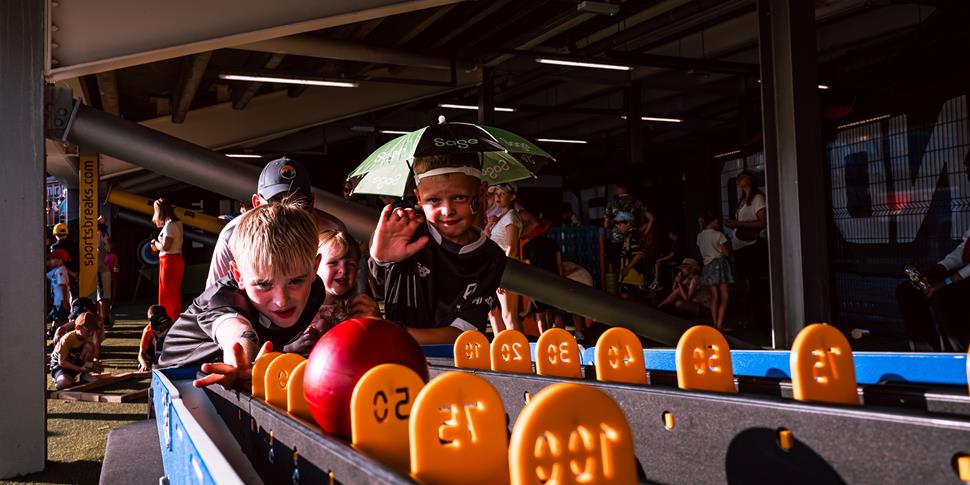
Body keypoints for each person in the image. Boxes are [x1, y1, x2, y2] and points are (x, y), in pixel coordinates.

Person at [158, 201, 327, 390]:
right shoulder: (224, 298)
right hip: (176, 380)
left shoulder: (315, 293)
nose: (281, 300)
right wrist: (240, 362)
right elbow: (236, 332)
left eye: (295, 281)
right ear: (238, 275)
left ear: (314, 268)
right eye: (264, 284)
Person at [370, 152, 506, 344]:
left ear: (482, 193)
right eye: (434, 200)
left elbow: (462, 334)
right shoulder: (408, 232)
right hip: (396, 360)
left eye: (459, 197)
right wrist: (381, 258)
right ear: (418, 196)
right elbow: (378, 275)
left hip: (455, 366)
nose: (447, 210)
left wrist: (396, 333)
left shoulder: (491, 257)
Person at [205, 157, 346, 289]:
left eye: (298, 202)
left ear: (312, 202)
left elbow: (346, 287)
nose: (286, 210)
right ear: (257, 203)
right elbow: (212, 297)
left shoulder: (331, 230)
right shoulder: (233, 235)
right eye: (276, 201)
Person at [897, 153, 970, 351]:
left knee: (942, 294)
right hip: (964, 273)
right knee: (909, 290)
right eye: (966, 171)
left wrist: (945, 281)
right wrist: (938, 269)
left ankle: (961, 358)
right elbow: (965, 247)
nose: (967, 175)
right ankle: (926, 356)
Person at [297, 230, 380, 344]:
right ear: (314, 266)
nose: (343, 270)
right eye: (334, 263)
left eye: (351, 264)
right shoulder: (299, 304)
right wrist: (291, 347)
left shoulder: (355, 308)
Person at [724, 169, 769, 328]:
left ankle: (756, 319)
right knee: (744, 283)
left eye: (742, 176)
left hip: (752, 246)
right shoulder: (742, 199)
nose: (738, 178)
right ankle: (747, 318)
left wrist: (738, 224)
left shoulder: (757, 198)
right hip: (740, 245)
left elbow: (763, 222)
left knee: (754, 283)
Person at [486, 183, 523, 333]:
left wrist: (502, 274)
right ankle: (502, 349)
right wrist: (489, 226)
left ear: (512, 196)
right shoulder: (502, 217)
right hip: (496, 269)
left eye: (502, 194)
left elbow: (511, 249)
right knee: (494, 312)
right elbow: (488, 241)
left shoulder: (511, 217)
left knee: (509, 316)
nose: (498, 197)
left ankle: (518, 353)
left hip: (506, 270)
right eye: (496, 194)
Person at [697, 211, 734, 331]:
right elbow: (726, 253)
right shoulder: (719, 235)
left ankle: (714, 324)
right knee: (725, 295)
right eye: (717, 220)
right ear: (712, 221)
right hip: (720, 265)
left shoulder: (700, 236)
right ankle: (720, 324)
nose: (718, 222)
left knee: (714, 296)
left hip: (707, 266)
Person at [50, 312, 103, 390]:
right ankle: (59, 379)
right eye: (88, 330)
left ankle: (84, 375)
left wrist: (94, 365)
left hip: (74, 363)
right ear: (78, 328)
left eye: (92, 330)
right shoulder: (67, 339)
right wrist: (80, 369)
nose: (91, 333)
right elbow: (61, 362)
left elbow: (92, 352)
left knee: (89, 346)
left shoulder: (88, 336)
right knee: (65, 383)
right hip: (60, 366)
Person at [151, 198, 184, 320]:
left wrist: (155, 243)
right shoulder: (177, 223)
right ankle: (171, 320)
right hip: (172, 260)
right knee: (171, 293)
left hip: (169, 261)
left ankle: (170, 320)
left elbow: (166, 247)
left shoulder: (170, 225)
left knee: (168, 294)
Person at [615, 211, 645, 300]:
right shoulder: (628, 236)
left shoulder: (633, 236)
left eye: (620, 224)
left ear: (628, 224)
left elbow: (638, 254)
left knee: (629, 300)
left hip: (632, 276)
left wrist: (627, 268)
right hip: (629, 277)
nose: (618, 227)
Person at [138, 305, 174, 371]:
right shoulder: (148, 331)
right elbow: (141, 354)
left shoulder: (172, 326)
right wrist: (144, 364)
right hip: (153, 359)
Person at [46, 248, 72, 333]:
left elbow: (63, 286)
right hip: (57, 301)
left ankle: (59, 333)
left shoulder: (61, 270)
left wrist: (65, 301)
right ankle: (55, 331)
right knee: (57, 317)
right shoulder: (56, 270)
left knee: (61, 319)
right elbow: (46, 276)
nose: (50, 261)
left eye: (53, 259)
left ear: (60, 260)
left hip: (61, 301)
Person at [50, 222, 79, 294]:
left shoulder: (54, 247)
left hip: (60, 277)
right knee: (74, 296)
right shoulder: (75, 244)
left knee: (61, 298)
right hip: (75, 276)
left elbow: (58, 264)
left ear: (55, 234)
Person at [97, 216, 113, 328]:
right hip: (102, 269)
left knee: (102, 297)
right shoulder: (103, 235)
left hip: (101, 269)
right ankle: (104, 319)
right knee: (103, 297)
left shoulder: (101, 235)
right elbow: (109, 249)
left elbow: (108, 249)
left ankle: (104, 319)